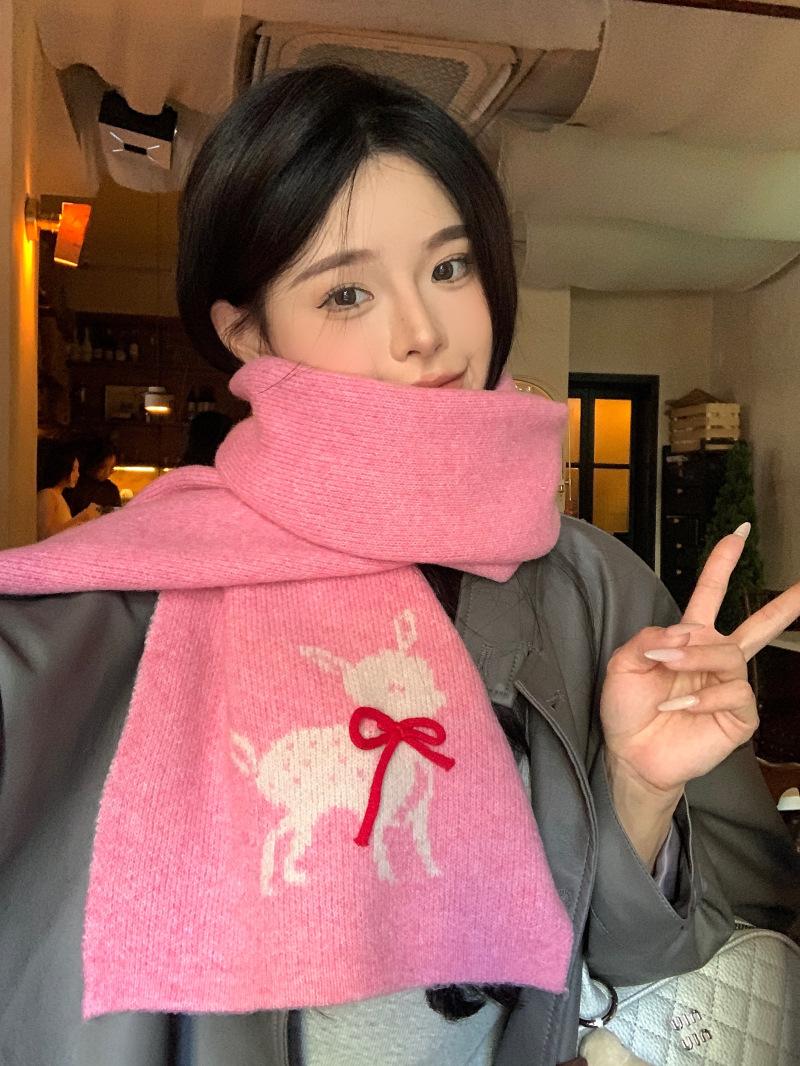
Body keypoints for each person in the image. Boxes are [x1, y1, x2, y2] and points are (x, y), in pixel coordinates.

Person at [0, 65, 798, 1066]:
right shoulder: (118, 605)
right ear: (245, 330)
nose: (423, 334)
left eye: (449, 267)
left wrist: (640, 794)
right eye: (347, 291)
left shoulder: (594, 588)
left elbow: (645, 961)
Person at [35, 438, 102, 540]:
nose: (78, 475)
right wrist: (82, 517)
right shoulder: (47, 494)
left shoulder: (59, 496)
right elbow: (44, 536)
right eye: (74, 469)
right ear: (63, 468)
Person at [63, 436, 122, 515]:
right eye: (102, 467)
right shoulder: (73, 486)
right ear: (92, 463)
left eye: (111, 468)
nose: (107, 472)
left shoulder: (111, 489)